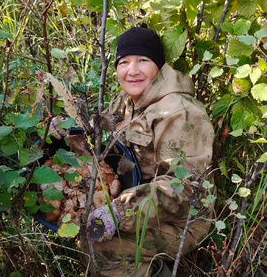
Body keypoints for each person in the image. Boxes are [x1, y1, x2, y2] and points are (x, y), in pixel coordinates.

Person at [86, 27, 215, 276]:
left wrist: (119, 212)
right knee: (84, 230)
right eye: (124, 62)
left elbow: (184, 187)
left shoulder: (180, 111)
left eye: (143, 60)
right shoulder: (124, 101)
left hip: (184, 218)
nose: (132, 70)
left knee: (102, 247)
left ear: (159, 66)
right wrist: (69, 133)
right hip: (139, 204)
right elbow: (101, 141)